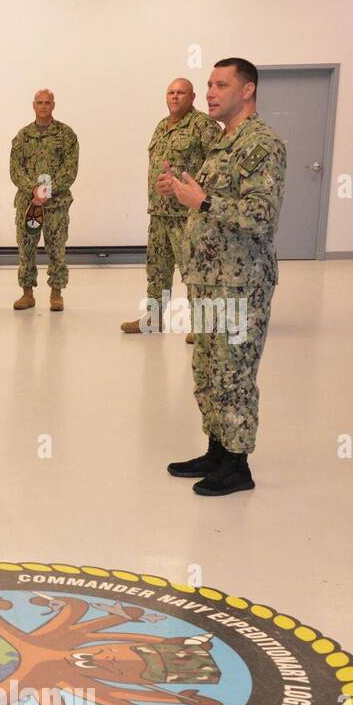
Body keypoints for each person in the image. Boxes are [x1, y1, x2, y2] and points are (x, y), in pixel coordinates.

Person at [163, 58, 285, 496]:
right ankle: (217, 450)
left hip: (241, 282)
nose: (210, 93)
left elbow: (261, 215)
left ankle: (238, 465)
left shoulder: (261, 143)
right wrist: (183, 194)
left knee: (233, 374)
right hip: (210, 279)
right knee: (208, 370)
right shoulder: (221, 142)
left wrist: (203, 202)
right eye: (208, 85)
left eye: (220, 85)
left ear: (247, 90)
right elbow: (210, 203)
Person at [123, 79, 221, 335]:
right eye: (171, 93)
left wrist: (184, 187)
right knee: (157, 269)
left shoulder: (204, 126)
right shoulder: (161, 126)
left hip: (186, 214)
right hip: (159, 213)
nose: (175, 97)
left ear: (193, 97)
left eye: (181, 93)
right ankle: (154, 318)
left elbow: (218, 167)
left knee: (193, 270)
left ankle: (201, 326)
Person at [10, 89, 78, 311]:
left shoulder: (66, 135)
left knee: (56, 249)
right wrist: (34, 190)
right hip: (28, 204)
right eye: (39, 102)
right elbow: (15, 170)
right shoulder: (22, 136)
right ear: (33, 105)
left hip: (55, 205)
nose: (43, 106)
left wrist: (46, 191)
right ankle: (27, 293)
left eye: (47, 102)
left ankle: (56, 293)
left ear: (53, 105)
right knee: (26, 248)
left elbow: (70, 171)